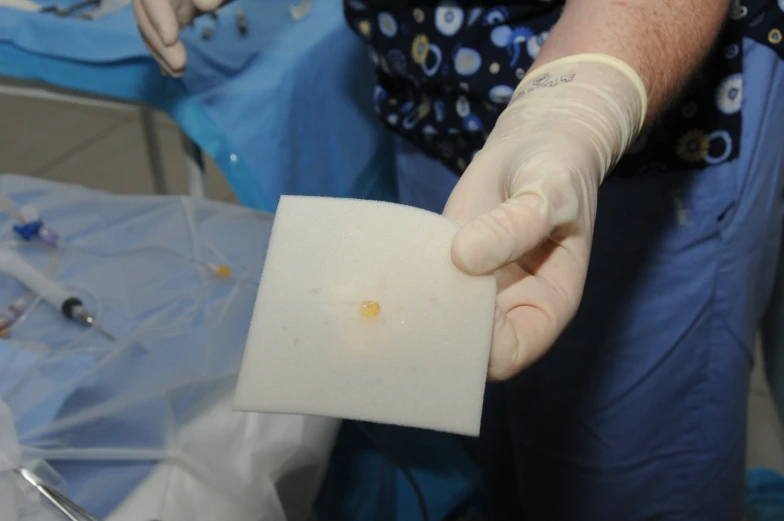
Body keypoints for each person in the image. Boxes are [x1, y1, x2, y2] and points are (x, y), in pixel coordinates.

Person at [133, 0, 784, 519]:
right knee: (487, 419)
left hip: (646, 113)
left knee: (622, 478)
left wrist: (578, 109)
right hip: (434, 89)